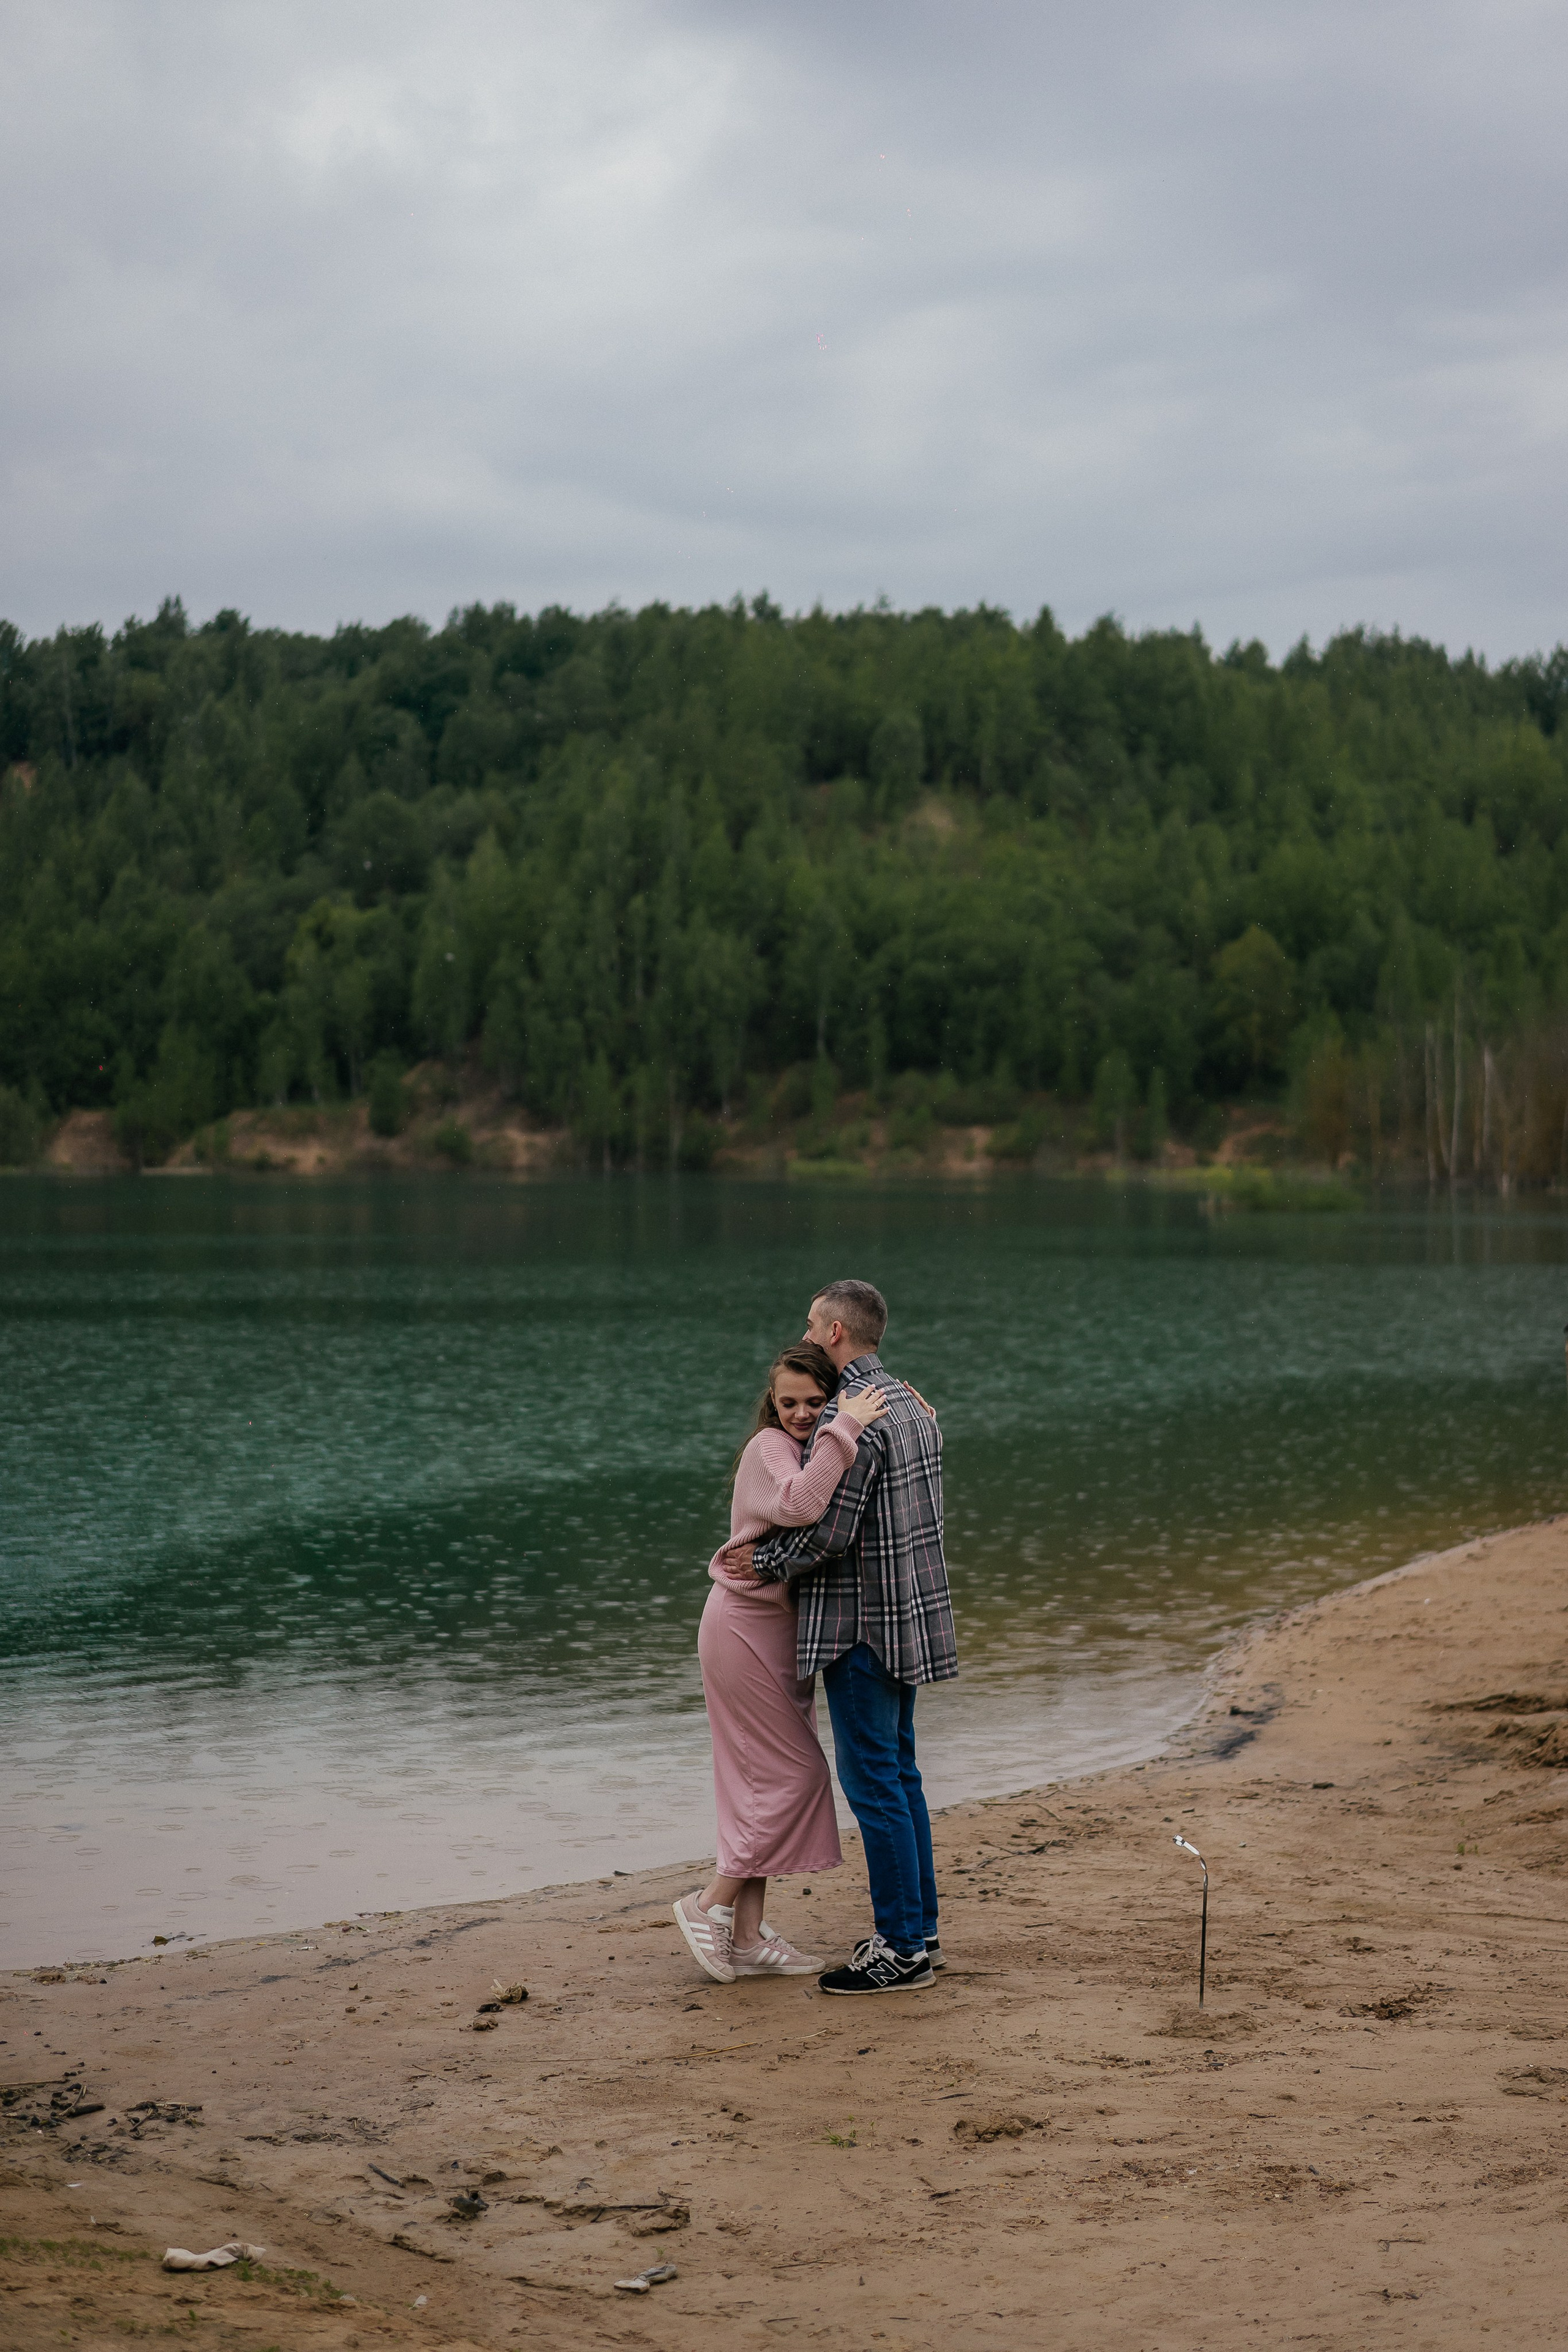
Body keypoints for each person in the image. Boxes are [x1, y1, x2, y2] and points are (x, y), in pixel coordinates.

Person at [740, 1278, 956, 1995]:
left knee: (874, 1787)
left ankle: (900, 1950)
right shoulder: (910, 1405)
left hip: (862, 1627)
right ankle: (917, 1932)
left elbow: (826, 1534)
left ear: (834, 1333)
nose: (804, 1332)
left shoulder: (850, 1419)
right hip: (909, 1618)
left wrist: (759, 1559)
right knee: (901, 1776)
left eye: (810, 1322)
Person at [673, 1342, 890, 1986]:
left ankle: (745, 1936)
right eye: (787, 1402)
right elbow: (800, 1507)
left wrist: (905, 1413)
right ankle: (706, 1905)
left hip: (778, 1632)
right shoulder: (770, 1448)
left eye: (814, 1403)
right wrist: (846, 1424)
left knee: (759, 1782)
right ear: (772, 1402)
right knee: (795, 1776)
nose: (799, 1413)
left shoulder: (809, 1446)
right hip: (743, 1627)